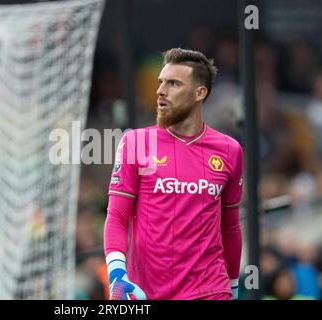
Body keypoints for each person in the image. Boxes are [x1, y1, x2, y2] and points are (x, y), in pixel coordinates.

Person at [104, 48, 243, 300]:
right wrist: (116, 274)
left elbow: (230, 226)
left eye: (173, 83)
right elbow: (116, 215)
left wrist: (233, 288)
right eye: (161, 82)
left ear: (199, 93)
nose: (160, 91)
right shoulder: (136, 142)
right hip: (147, 292)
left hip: (210, 291)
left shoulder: (229, 150)